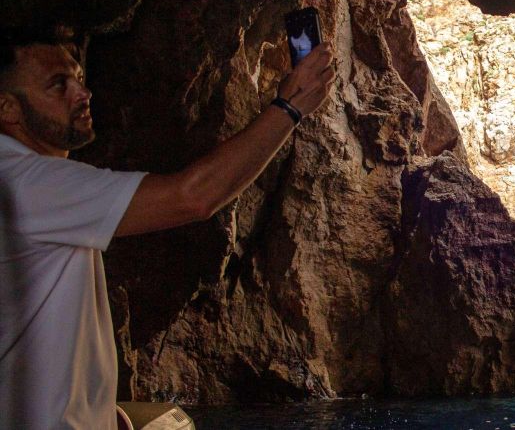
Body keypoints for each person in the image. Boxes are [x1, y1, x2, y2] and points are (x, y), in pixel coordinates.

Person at [0, 26, 335, 429]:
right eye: (58, 86)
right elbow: (194, 196)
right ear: (8, 110)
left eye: (79, 79)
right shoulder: (31, 184)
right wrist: (289, 107)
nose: (82, 94)